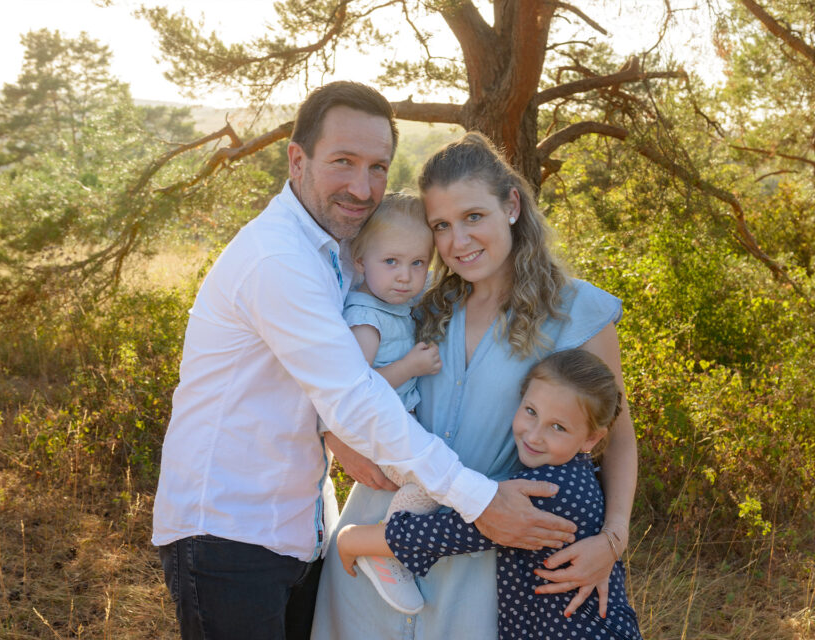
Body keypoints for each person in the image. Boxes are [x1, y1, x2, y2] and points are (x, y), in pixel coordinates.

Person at [151, 83, 578, 640]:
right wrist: (480, 498)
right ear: (297, 160)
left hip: (296, 529)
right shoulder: (278, 259)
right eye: (343, 162)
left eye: (378, 167)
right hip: (229, 535)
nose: (362, 186)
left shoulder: (342, 255)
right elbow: (354, 395)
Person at [312, 132, 638, 639]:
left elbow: (616, 436)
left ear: (511, 205)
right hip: (374, 546)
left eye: (473, 217)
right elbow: (334, 380)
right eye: (441, 225)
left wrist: (613, 540)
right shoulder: (417, 303)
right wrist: (333, 437)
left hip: (485, 562)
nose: (457, 242)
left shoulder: (579, 311)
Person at [335, 349, 643, 640]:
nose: (535, 435)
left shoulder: (551, 490)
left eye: (558, 427)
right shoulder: (579, 474)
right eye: (531, 411)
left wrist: (355, 539)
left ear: (591, 438)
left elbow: (455, 532)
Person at [336, 192, 444, 614]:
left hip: (395, 427)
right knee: (430, 482)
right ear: (360, 262)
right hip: (376, 433)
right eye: (392, 262)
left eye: (418, 263)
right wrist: (410, 366)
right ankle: (382, 546)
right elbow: (357, 390)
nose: (406, 276)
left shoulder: (394, 302)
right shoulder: (367, 318)